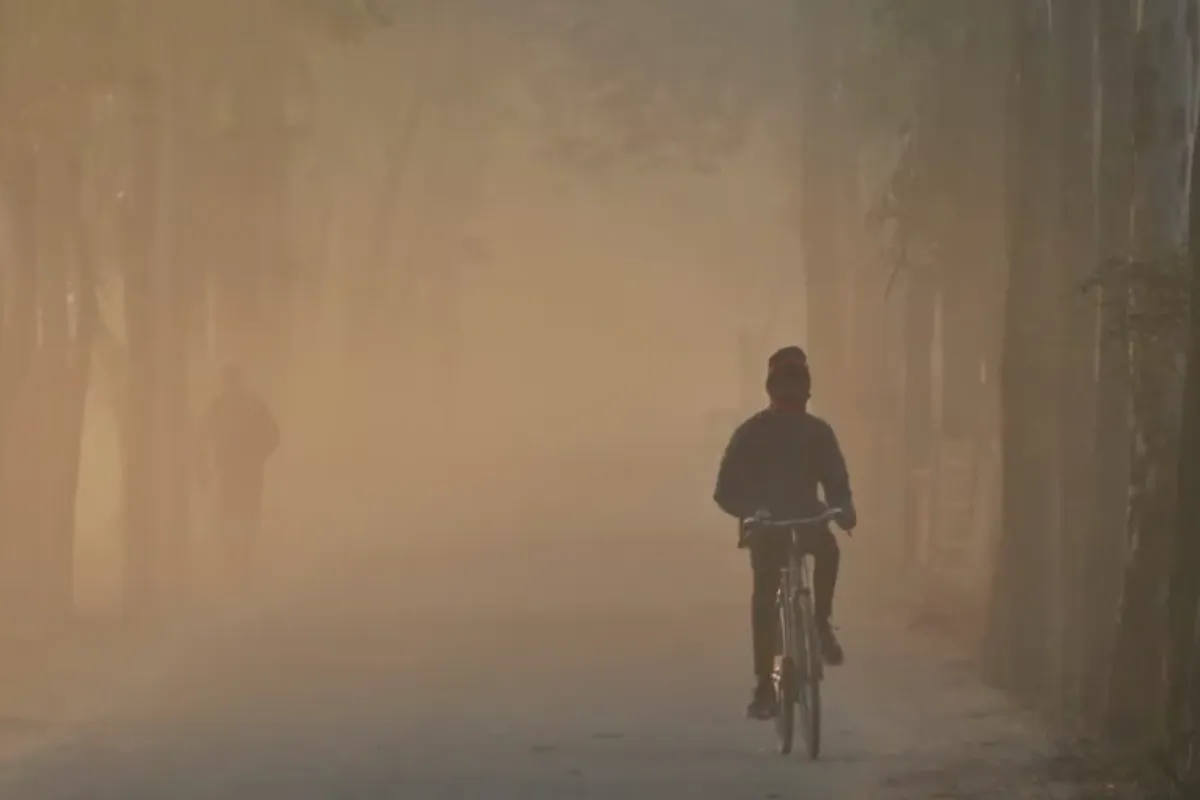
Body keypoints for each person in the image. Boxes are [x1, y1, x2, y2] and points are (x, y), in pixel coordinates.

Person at [713, 345, 857, 720]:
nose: (792, 393)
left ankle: (821, 623)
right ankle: (765, 685)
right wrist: (751, 511)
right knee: (764, 600)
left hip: (808, 518)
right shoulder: (751, 433)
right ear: (772, 390)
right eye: (785, 384)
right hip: (766, 525)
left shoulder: (818, 433)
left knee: (828, 554)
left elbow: (837, 480)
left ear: (807, 390)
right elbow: (725, 489)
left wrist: (843, 510)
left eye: (798, 383)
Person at [199, 364, 280, 589]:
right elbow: (274, 435)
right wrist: (259, 455)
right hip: (242, 471)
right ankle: (239, 565)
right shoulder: (249, 405)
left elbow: (273, 435)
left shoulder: (223, 406)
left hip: (235, 471)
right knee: (242, 517)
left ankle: (236, 565)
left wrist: (258, 454)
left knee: (235, 516)